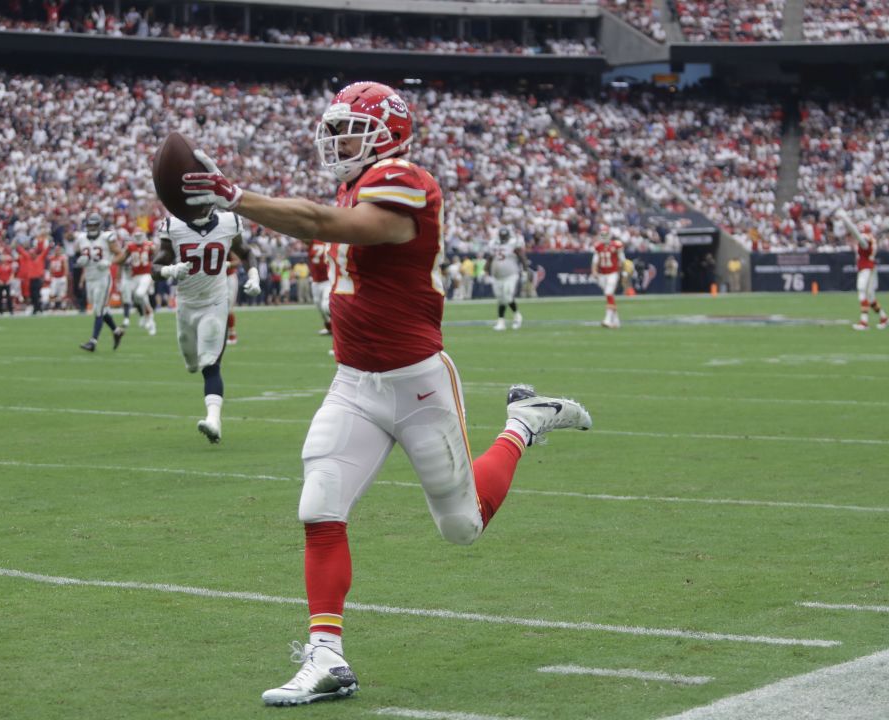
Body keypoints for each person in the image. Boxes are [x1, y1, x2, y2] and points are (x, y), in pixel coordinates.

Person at [177, 80, 592, 706]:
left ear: (388, 134)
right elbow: (323, 219)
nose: (337, 141)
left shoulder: (406, 181)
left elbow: (327, 223)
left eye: (350, 129)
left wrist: (238, 197)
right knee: (320, 505)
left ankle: (524, 422)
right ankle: (326, 656)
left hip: (417, 381)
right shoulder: (357, 182)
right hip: (355, 381)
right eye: (335, 129)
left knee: (462, 526)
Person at [153, 208, 262, 443]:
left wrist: (254, 276)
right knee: (192, 362)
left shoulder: (228, 222)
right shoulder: (174, 226)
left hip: (214, 301)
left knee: (210, 363)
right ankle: (209, 405)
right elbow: (154, 268)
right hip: (186, 304)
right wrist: (169, 270)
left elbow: (245, 252)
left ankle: (214, 420)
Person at [75, 213, 127, 351]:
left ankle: (93, 342)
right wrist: (80, 260)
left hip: (103, 278)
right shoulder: (81, 238)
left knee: (98, 309)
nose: (92, 227)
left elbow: (121, 254)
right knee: (100, 308)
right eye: (90, 225)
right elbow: (78, 254)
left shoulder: (106, 238)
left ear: (100, 226)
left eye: (94, 225)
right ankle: (117, 331)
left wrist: (110, 262)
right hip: (90, 278)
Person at [838, 211, 889, 330]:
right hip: (868, 267)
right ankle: (884, 318)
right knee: (870, 297)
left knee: (862, 292)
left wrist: (845, 219)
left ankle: (864, 322)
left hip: (867, 268)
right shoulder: (869, 238)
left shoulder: (866, 239)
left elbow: (858, 237)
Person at [485, 228, 527, 329]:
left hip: (511, 274)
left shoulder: (513, 243)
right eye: (502, 236)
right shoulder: (493, 244)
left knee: (508, 295)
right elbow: (490, 258)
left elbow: (521, 256)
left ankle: (516, 316)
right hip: (497, 276)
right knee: (501, 298)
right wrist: (486, 272)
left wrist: (525, 270)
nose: (504, 238)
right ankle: (501, 322)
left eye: (505, 236)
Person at [121, 231, 157, 335]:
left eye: (139, 236)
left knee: (140, 294)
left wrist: (154, 250)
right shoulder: (130, 246)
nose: (138, 238)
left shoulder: (149, 244)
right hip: (135, 276)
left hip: (146, 274)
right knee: (137, 298)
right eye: (136, 236)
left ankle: (150, 319)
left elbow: (156, 253)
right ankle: (145, 316)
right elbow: (123, 257)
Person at [590, 237, 625, 328]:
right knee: (609, 296)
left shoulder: (616, 245)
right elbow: (595, 261)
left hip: (613, 273)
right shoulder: (598, 246)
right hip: (602, 274)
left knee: (608, 293)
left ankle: (608, 319)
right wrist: (594, 271)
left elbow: (622, 260)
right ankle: (616, 321)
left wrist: (623, 272)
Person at [17, 238, 49, 314]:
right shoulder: (28, 258)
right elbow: (22, 251)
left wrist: (49, 245)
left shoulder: (39, 258)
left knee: (37, 294)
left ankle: (38, 308)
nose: (31, 255)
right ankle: (37, 308)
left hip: (37, 279)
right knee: (32, 295)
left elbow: (45, 252)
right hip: (31, 280)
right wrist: (19, 245)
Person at [307, 239, 332, 336]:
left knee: (325, 305)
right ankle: (328, 326)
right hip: (315, 281)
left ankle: (337, 327)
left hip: (328, 280)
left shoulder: (332, 240)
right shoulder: (313, 240)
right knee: (319, 306)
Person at [47, 245, 69, 311]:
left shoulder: (63, 258)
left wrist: (65, 276)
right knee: (53, 292)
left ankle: (63, 306)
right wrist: (50, 276)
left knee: (63, 293)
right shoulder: (52, 258)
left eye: (58, 250)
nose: (57, 252)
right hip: (55, 277)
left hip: (61, 277)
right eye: (56, 250)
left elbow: (66, 268)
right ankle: (52, 305)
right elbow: (50, 268)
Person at [0, 250, 16, 314]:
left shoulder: (9, 266)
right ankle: (0, 311)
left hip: (7, 283)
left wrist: (9, 281)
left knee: (8, 297)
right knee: (0, 297)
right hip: (0, 283)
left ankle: (10, 310)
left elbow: (12, 274)